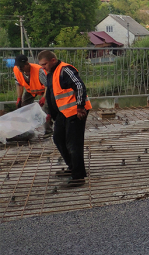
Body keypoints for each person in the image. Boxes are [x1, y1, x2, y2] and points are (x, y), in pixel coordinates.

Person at [37, 50, 92, 187]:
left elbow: (79, 86)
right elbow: (51, 93)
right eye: (41, 65)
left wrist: (80, 107)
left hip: (76, 111)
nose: (43, 67)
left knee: (73, 143)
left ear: (53, 60)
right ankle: (73, 167)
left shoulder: (65, 70)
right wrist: (49, 112)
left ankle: (78, 176)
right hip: (63, 111)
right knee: (58, 138)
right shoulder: (50, 73)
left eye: (44, 64)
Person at [13, 54, 53, 135]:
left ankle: (48, 130)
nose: (20, 68)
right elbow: (19, 85)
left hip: (43, 90)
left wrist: (44, 98)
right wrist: (19, 98)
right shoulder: (16, 70)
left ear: (27, 64)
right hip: (30, 90)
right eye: (18, 66)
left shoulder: (39, 70)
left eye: (22, 66)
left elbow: (47, 86)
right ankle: (25, 129)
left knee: (44, 108)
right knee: (23, 107)